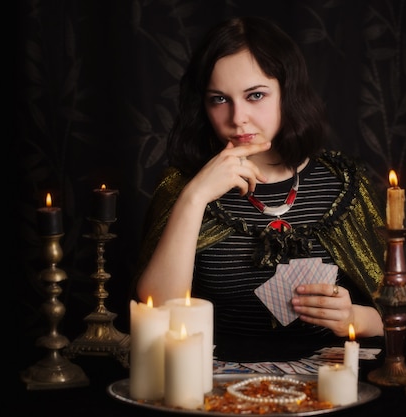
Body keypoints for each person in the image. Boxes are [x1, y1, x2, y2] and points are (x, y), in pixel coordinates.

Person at [133, 16, 386, 361]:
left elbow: (400, 318)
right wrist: (194, 197)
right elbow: (157, 314)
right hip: (214, 390)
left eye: (255, 95)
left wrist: (354, 317)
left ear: (288, 92)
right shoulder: (183, 186)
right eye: (219, 99)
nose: (238, 117)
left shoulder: (344, 185)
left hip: (326, 388)